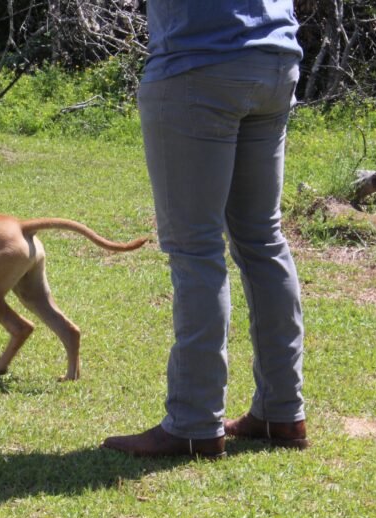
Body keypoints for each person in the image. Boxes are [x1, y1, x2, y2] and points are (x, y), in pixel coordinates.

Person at [101, 1, 308, 458]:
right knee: (262, 239)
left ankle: (194, 422)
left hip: (199, 63)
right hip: (274, 56)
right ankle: (281, 412)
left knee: (196, 250)